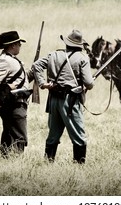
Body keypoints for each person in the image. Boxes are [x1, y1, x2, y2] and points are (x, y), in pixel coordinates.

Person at [32, 29, 94, 164]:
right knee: (79, 135)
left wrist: (43, 83)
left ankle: (48, 163)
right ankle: (78, 166)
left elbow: (36, 65)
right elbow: (89, 83)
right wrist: (87, 86)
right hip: (70, 101)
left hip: (53, 100)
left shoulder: (54, 54)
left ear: (66, 43)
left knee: (53, 135)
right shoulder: (82, 58)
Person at [0, 31, 30, 158]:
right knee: (19, 134)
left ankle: (7, 159)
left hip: (16, 102)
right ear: (12, 45)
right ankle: (15, 160)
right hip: (13, 103)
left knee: (10, 131)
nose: (20, 45)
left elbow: (18, 79)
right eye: (19, 43)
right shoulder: (5, 60)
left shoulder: (11, 60)